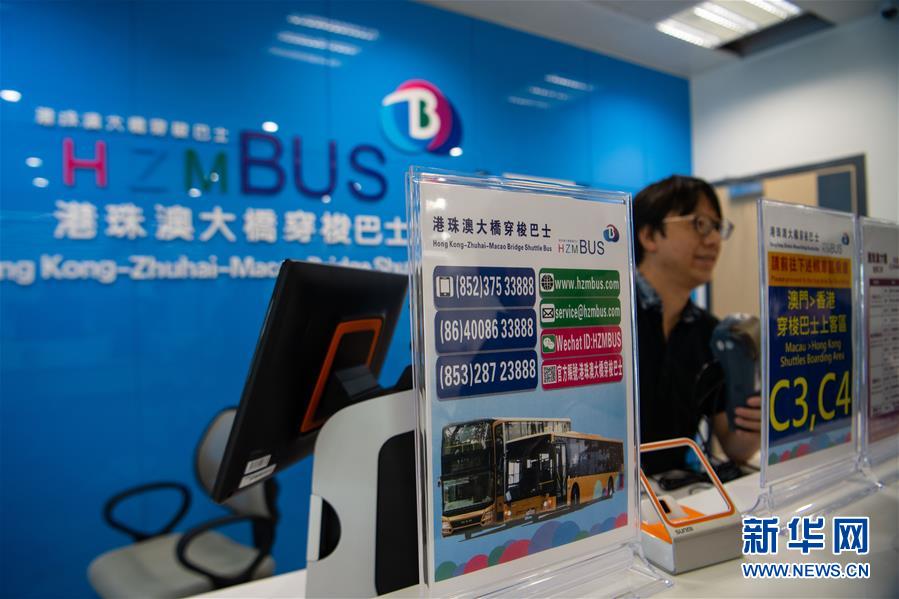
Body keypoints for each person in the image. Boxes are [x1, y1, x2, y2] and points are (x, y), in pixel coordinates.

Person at [632, 175, 761, 474]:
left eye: (717, 227)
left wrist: (752, 427)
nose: (714, 240)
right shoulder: (607, 319)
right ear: (649, 235)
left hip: (675, 495)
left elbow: (735, 447)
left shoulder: (711, 333)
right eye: (700, 224)